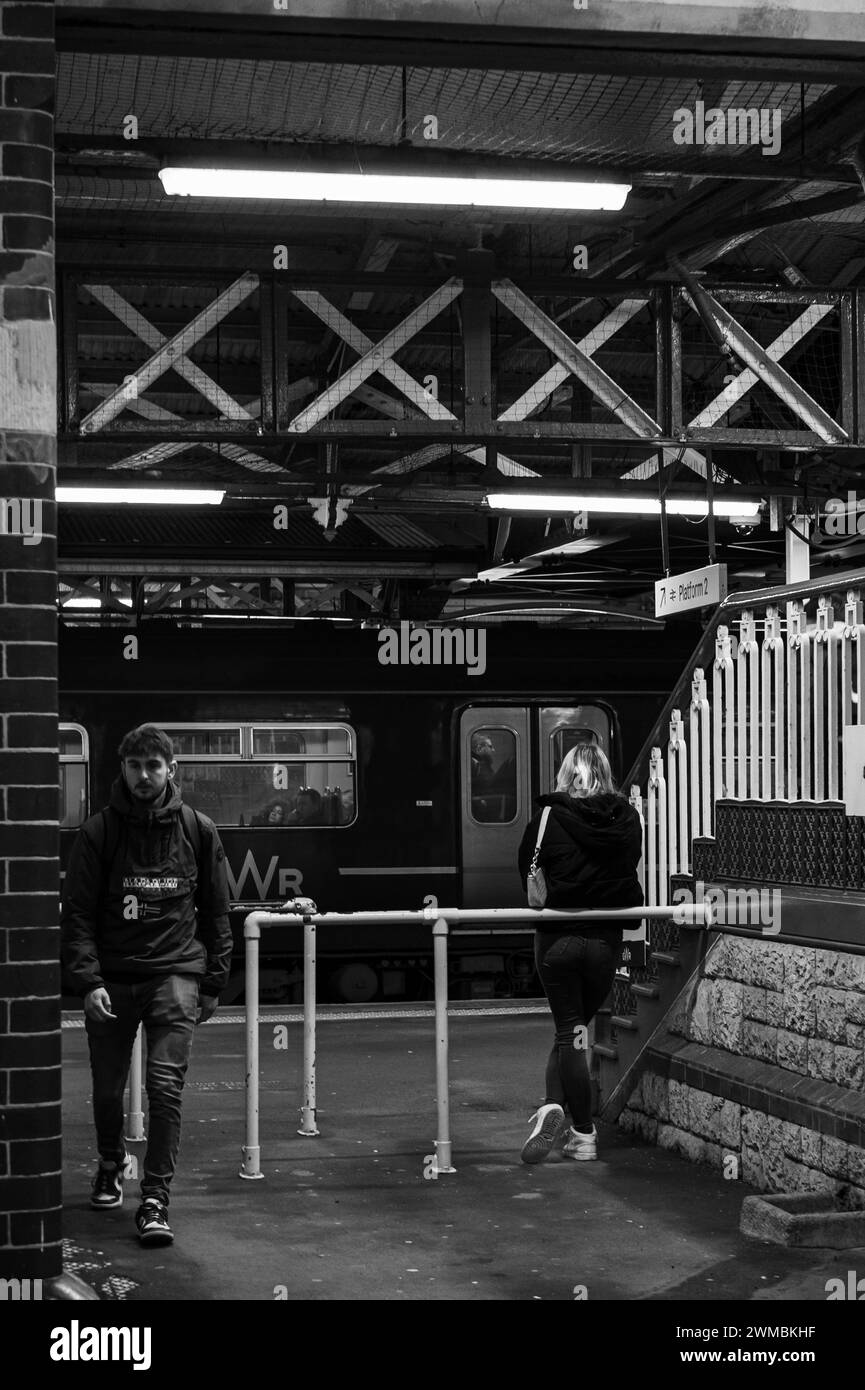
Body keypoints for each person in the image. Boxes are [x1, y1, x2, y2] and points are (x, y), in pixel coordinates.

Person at [61, 723, 232, 1246]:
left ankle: (155, 1199)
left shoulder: (198, 829)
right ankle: (112, 1163)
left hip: (175, 973)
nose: (143, 776)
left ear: (171, 770)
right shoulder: (99, 833)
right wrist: (88, 982)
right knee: (108, 1090)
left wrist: (212, 982)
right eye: (134, 766)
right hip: (113, 979)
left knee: (164, 1088)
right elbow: (80, 916)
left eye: (153, 766)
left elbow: (217, 911)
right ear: (123, 769)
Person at [517, 743, 643, 1164]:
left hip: (558, 940)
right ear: (605, 773)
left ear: (567, 773)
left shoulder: (549, 816)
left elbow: (526, 869)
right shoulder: (627, 818)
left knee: (569, 1031)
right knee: (574, 1033)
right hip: (604, 943)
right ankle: (571, 1127)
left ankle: (573, 1122)